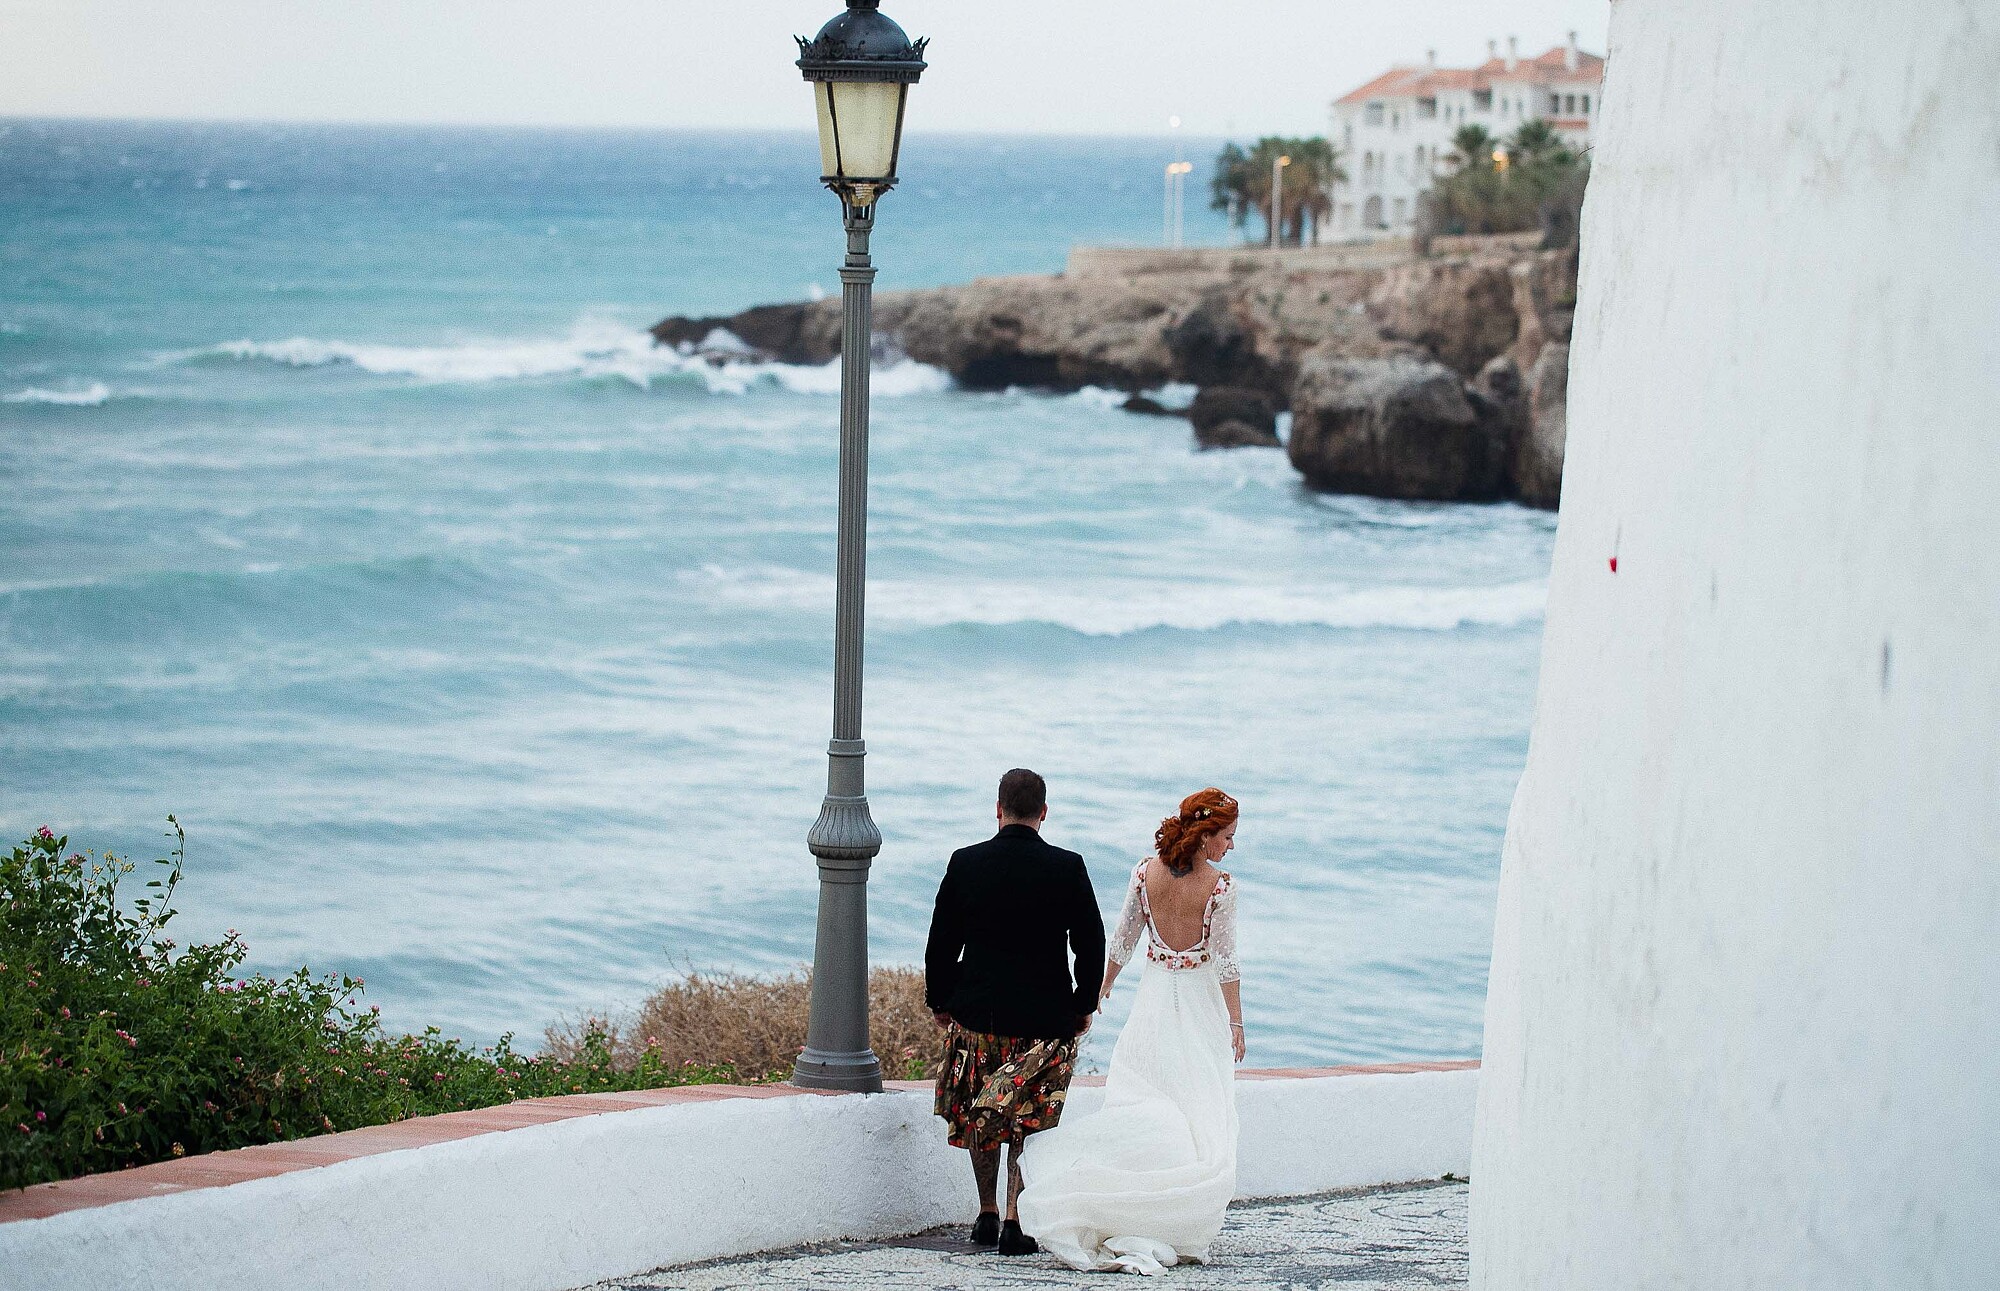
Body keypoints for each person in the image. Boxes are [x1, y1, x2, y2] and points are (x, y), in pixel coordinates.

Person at [1015, 787, 1244, 1275]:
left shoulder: (1145, 872)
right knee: (1200, 1107)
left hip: (1153, 1005)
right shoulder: (1220, 886)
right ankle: (1176, 1212)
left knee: (1144, 1099)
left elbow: (1122, 938)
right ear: (1206, 836)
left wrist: (1103, 988)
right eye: (1227, 837)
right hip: (1199, 1010)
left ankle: (1133, 1201)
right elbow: (1225, 963)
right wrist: (1238, 1022)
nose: (1231, 846)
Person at [926, 768, 1105, 1256]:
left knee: (981, 1114)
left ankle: (984, 1214)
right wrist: (1083, 1004)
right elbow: (1091, 943)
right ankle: (1013, 1218)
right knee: (1025, 1120)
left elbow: (941, 942)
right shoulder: (1068, 867)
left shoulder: (965, 863)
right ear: (1044, 813)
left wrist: (941, 1000)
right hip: (1043, 1020)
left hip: (977, 1018)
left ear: (998, 809)